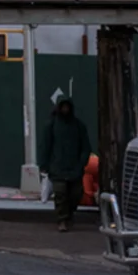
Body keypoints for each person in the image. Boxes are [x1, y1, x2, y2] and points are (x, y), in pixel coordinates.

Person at [40, 96, 93, 232]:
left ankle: (69, 215)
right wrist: (45, 165)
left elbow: (85, 147)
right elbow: (45, 146)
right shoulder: (51, 126)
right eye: (63, 107)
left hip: (74, 168)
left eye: (67, 107)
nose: (65, 109)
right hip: (57, 169)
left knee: (76, 194)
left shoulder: (79, 126)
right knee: (61, 194)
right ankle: (62, 219)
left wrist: (82, 163)